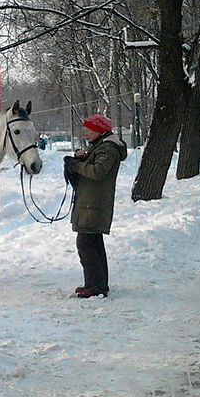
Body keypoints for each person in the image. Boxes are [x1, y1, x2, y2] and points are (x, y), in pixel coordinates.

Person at [63, 114, 127, 298]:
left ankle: (95, 286)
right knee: (94, 244)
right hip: (90, 203)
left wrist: (75, 166)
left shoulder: (108, 148)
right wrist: (82, 159)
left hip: (95, 205)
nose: (85, 133)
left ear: (99, 130)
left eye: (88, 130)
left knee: (86, 244)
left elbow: (98, 171)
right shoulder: (100, 147)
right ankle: (97, 284)